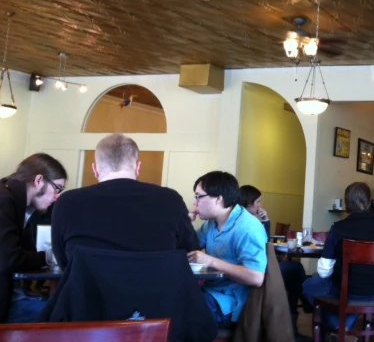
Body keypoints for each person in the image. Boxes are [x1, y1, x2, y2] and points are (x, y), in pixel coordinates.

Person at [52, 134, 198, 269]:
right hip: (156, 295)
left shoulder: (67, 202)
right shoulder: (171, 200)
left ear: (95, 169)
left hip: (86, 295)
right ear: (138, 168)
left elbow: (63, 261)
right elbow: (187, 251)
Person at [302, 182, 374, 342]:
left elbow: (324, 272)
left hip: (346, 292)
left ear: (346, 203)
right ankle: (342, 332)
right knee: (351, 297)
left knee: (308, 286)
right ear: (369, 202)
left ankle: (338, 329)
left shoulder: (338, 229)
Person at [189, 172, 267, 328]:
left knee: (185, 314)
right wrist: (185, 223)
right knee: (168, 299)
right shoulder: (212, 223)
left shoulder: (247, 227)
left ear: (218, 199)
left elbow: (256, 277)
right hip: (210, 290)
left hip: (231, 300)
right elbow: (190, 247)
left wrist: (210, 261)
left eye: (198, 197)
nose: (194, 202)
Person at [239, 184, 312, 342]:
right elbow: (264, 244)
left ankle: (302, 308)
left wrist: (265, 221)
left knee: (294, 271)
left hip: (252, 269)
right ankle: (302, 309)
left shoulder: (241, 219)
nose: (259, 206)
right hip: (257, 272)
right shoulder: (250, 223)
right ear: (249, 203)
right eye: (257, 202)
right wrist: (264, 222)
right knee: (295, 270)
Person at [0, 153, 67, 323]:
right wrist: (48, 255)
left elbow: (26, 250)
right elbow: (10, 258)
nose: (58, 196)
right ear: (39, 181)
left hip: (10, 291)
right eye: (58, 188)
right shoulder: (3, 200)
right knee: (62, 315)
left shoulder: (20, 205)